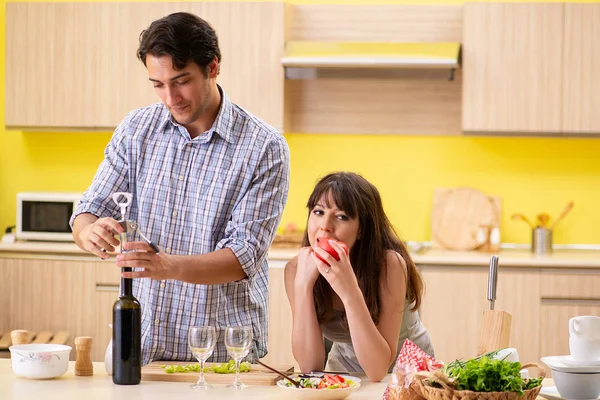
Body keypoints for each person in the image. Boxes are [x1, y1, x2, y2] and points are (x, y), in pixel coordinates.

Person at [70, 12, 290, 365]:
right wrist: (89, 231)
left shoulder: (264, 147)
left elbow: (243, 256)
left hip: (220, 353)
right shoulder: (137, 128)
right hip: (141, 347)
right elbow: (89, 207)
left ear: (213, 67)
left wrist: (166, 265)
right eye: (157, 84)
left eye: (181, 80)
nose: (170, 97)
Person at [284, 172, 433, 382]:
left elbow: (377, 370)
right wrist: (303, 286)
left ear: (362, 228)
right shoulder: (296, 269)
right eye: (318, 212)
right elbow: (311, 368)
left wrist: (349, 290)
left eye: (341, 216)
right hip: (346, 365)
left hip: (407, 366)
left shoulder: (389, 265)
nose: (325, 225)